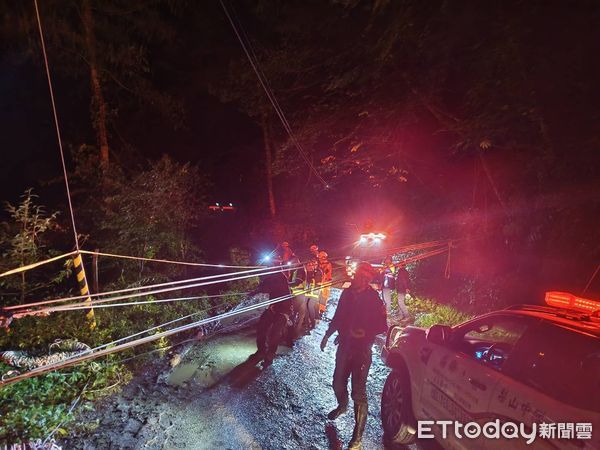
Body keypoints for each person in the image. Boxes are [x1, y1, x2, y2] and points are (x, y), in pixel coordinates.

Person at [320, 262, 388, 450]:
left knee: (358, 392)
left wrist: (364, 332)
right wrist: (327, 335)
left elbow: (382, 326)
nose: (361, 279)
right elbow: (338, 316)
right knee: (337, 382)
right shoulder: (346, 293)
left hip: (362, 350)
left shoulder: (374, 298)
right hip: (345, 346)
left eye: (366, 278)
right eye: (360, 275)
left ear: (369, 280)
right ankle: (342, 405)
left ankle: (357, 438)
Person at [248, 267, 292, 369]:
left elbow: (267, 287)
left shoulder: (280, 276)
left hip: (284, 309)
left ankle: (269, 357)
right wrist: (254, 292)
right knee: (261, 327)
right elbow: (263, 286)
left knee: (275, 334)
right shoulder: (271, 275)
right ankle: (261, 351)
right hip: (273, 308)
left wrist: (257, 291)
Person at [289, 259, 321, 338]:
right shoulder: (300, 271)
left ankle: (294, 335)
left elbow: (306, 283)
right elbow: (295, 283)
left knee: (301, 315)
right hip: (299, 296)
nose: (311, 267)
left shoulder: (305, 272)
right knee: (297, 316)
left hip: (302, 296)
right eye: (309, 265)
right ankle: (290, 335)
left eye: (312, 265)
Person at [317, 250, 333, 316]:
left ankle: (321, 311)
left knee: (323, 297)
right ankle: (318, 309)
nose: (319, 259)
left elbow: (325, 273)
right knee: (319, 296)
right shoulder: (319, 264)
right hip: (321, 283)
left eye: (320, 258)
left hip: (326, 283)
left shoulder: (327, 265)